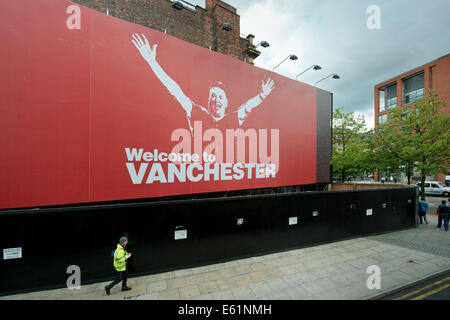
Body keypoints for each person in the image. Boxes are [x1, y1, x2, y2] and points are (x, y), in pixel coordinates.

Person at [131, 33, 275, 134]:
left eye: (220, 97)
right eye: (213, 96)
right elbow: (175, 90)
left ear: (226, 103)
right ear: (208, 100)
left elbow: (248, 107)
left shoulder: (233, 119)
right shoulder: (198, 114)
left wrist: (262, 95)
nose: (216, 100)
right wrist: (152, 62)